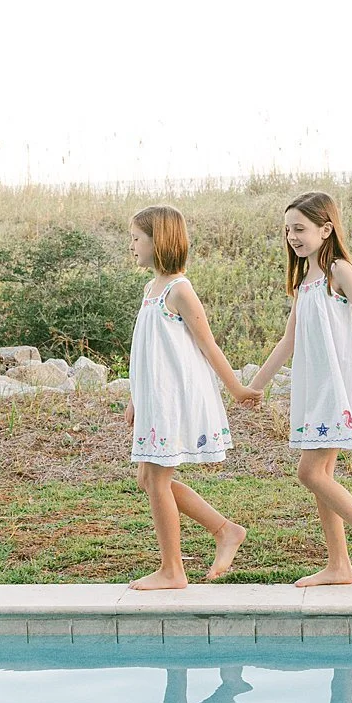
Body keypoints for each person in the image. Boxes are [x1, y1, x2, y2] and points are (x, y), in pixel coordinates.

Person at [246, 191, 352, 587]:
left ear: (326, 229)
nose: (292, 236)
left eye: (300, 228)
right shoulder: (305, 279)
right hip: (319, 387)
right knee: (321, 471)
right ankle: (339, 564)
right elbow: (288, 341)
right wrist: (255, 386)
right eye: (288, 229)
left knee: (310, 472)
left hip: (341, 386)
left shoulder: (339, 271)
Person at [126, 204, 258, 590]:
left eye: (136, 238)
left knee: (157, 480)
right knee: (148, 480)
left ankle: (172, 570)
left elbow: (207, 343)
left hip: (174, 399)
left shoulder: (179, 289)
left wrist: (235, 387)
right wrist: (136, 397)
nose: (131, 246)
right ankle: (225, 529)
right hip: (154, 398)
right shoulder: (151, 289)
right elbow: (146, 350)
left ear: (159, 240)